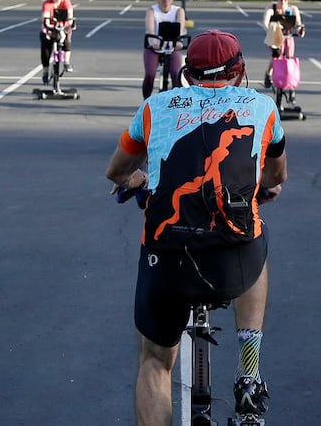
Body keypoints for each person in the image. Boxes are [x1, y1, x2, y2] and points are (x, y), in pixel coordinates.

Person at [106, 30, 287, 425]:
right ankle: (249, 368)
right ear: (240, 72)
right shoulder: (263, 107)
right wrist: (258, 189)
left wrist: (137, 181)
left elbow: (116, 170)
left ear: (187, 73)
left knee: (154, 361)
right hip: (233, 263)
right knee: (256, 232)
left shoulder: (155, 107)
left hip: (168, 260)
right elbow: (276, 175)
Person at [142, 0, 186, 99]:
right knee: (150, 74)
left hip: (172, 47)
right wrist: (153, 42)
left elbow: (180, 27)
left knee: (176, 75)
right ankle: (146, 100)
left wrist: (179, 42)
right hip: (154, 47)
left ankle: (177, 101)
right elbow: (150, 28)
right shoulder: (152, 10)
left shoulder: (178, 11)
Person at [262, 0, 305, 90]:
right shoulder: (272, 8)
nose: (283, 2)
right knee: (277, 54)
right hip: (275, 37)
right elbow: (265, 21)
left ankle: (288, 78)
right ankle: (268, 74)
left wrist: (300, 29)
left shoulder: (292, 9)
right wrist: (269, 30)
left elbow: (299, 23)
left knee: (289, 55)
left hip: (288, 36)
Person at [39, 0, 75, 85]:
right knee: (45, 45)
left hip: (62, 28)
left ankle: (66, 62)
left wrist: (70, 25)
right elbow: (45, 18)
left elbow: (70, 16)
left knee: (67, 39)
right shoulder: (47, 4)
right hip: (50, 28)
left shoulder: (66, 2)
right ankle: (45, 71)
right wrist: (47, 30)